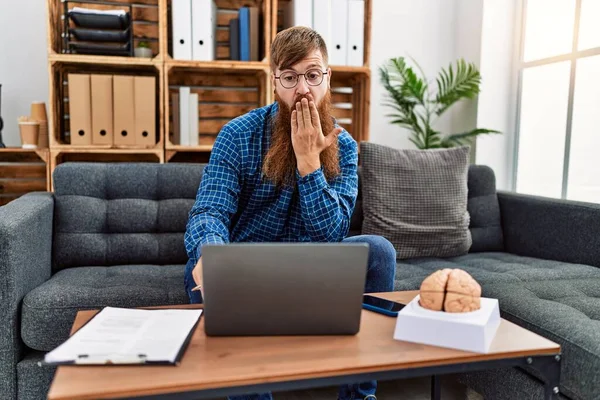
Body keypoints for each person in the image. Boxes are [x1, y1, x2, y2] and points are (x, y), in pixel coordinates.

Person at [184, 26, 396, 400]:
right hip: (246, 267)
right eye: (290, 77)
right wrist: (210, 254)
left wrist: (309, 163)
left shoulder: (344, 147)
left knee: (378, 250)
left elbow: (332, 234)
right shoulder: (238, 134)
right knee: (199, 263)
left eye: (313, 76)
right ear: (275, 82)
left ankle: (360, 396)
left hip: (313, 264)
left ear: (327, 80)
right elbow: (209, 210)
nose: (303, 89)